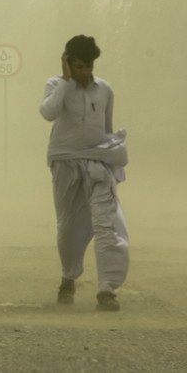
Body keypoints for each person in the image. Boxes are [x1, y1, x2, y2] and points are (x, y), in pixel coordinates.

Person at [40, 35, 129, 311]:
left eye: (88, 67)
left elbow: (106, 128)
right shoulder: (56, 85)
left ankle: (107, 290)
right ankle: (69, 277)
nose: (85, 72)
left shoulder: (105, 90)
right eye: (78, 66)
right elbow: (48, 113)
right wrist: (66, 81)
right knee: (69, 226)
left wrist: (111, 161)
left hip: (96, 163)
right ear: (67, 61)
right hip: (64, 161)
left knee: (106, 223)